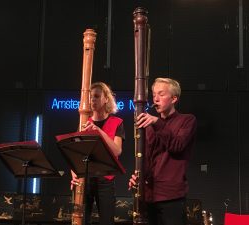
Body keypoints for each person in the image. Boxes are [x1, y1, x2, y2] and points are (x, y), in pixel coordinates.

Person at [129, 77, 197, 225]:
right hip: (149, 196)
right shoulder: (150, 125)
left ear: (174, 98)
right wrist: (137, 177)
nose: (156, 99)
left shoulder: (187, 120)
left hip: (171, 197)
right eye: (154, 95)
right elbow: (147, 158)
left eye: (161, 94)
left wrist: (157, 123)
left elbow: (177, 146)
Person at [71, 82, 125, 225]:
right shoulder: (84, 121)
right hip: (85, 179)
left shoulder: (117, 122)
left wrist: (98, 131)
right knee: (81, 220)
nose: (92, 100)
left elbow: (117, 150)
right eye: (90, 97)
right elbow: (76, 153)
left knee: (107, 221)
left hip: (105, 180)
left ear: (106, 99)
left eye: (96, 96)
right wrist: (73, 172)